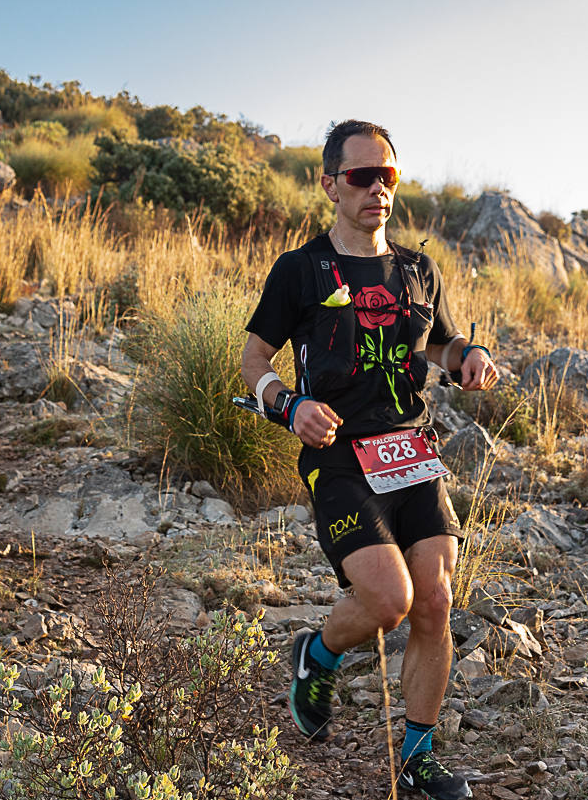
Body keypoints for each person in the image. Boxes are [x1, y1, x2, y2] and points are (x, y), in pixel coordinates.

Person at [240, 120, 498, 800]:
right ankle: (317, 654)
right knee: (388, 601)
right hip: (340, 458)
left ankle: (417, 754)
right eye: (362, 176)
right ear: (330, 184)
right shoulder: (299, 270)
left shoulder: (419, 269)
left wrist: (465, 356)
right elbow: (253, 358)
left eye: (388, 175)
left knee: (436, 602)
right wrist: (288, 403)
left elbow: (438, 346)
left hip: (412, 454)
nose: (378, 188)